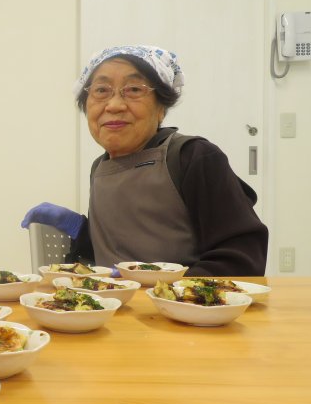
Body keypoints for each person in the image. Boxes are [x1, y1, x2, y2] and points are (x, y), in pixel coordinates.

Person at [21, 45, 268, 276]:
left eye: (134, 90)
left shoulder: (192, 157)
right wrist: (82, 232)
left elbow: (242, 257)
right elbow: (114, 254)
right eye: (101, 90)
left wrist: (162, 289)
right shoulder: (100, 168)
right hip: (117, 305)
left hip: (181, 307)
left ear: (161, 108)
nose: (114, 105)